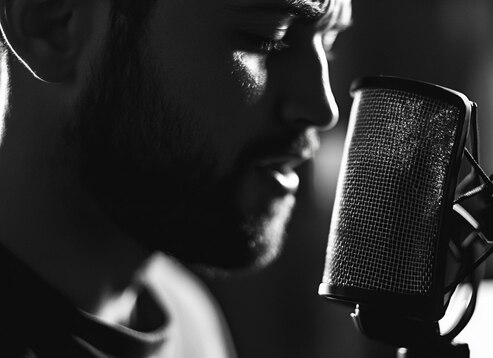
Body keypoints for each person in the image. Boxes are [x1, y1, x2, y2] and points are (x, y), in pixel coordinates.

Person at [0, 0, 352, 356]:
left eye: (329, 45)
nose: (324, 110)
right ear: (53, 25)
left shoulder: (191, 317)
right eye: (265, 37)